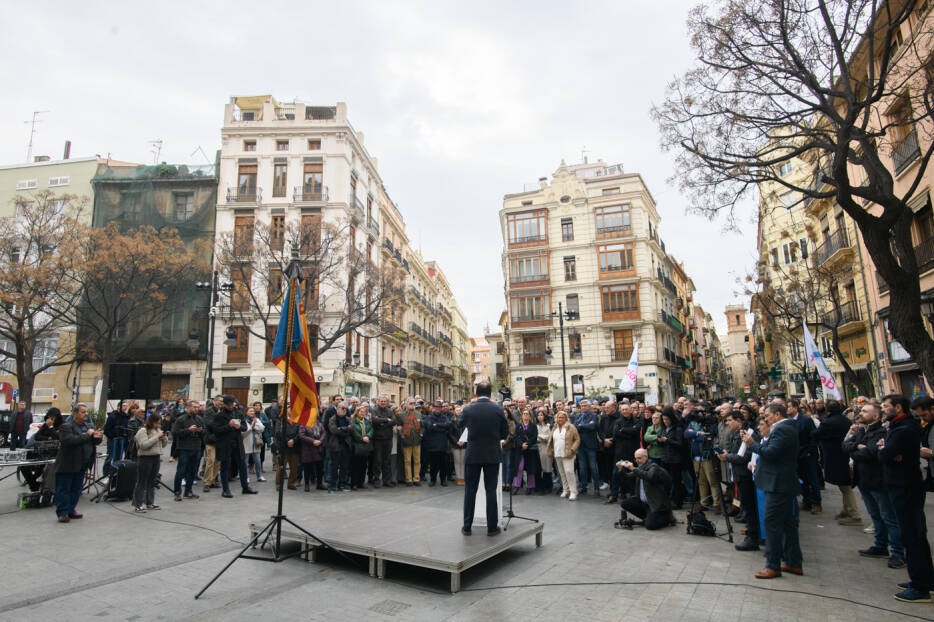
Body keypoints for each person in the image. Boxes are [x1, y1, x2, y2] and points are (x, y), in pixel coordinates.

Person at [878, 394, 934, 603]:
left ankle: (920, 587)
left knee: (912, 535)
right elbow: (887, 454)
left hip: (905, 487)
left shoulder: (904, 429)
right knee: (916, 534)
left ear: (898, 407)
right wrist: (886, 451)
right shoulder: (901, 427)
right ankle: (926, 580)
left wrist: (884, 450)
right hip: (904, 485)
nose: (883, 410)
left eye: (886, 406)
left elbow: (884, 455)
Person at [742, 402, 803, 579]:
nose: (765, 418)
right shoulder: (784, 428)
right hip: (778, 482)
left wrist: (751, 444)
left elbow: (771, 452)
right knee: (787, 524)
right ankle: (793, 561)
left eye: (767, 415)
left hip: (778, 484)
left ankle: (773, 564)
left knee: (772, 523)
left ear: (777, 415)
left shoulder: (783, 429)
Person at [842, 402, 904, 569]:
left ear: (875, 416)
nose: (860, 413)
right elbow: (845, 446)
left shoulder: (881, 432)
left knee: (888, 516)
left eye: (864, 411)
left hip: (878, 480)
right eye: (861, 411)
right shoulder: (861, 430)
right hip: (863, 479)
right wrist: (857, 446)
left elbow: (871, 453)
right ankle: (880, 545)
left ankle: (898, 552)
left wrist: (857, 449)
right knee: (875, 515)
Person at [457, 381, 509, 536]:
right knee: (491, 490)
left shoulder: (468, 409)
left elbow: (460, 424)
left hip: (473, 454)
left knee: (470, 490)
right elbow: (504, 433)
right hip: (492, 454)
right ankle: (492, 528)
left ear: (476, 393)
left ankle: (467, 526)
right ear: (490, 393)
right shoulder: (498, 409)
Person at [814, 399, 862, 525]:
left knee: (845, 486)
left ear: (827, 410)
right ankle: (846, 509)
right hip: (844, 454)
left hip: (835, 455)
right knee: (843, 484)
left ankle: (854, 514)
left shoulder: (828, 422)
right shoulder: (845, 420)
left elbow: (816, 434)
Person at [54, 403, 102, 523]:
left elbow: (94, 441)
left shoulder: (88, 426)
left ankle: (71, 509)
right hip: (68, 463)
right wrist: (88, 435)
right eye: (83, 412)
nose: (86, 414)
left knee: (76, 489)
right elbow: (70, 441)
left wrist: (97, 437)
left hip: (82, 463)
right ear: (75, 414)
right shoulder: (67, 426)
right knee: (64, 488)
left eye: (86, 412)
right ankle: (62, 512)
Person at [718, 411, 760, 551]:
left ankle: (753, 536)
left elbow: (744, 457)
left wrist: (727, 457)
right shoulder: (735, 435)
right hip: (738, 475)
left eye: (730, 420)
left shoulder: (746, 434)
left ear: (738, 421)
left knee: (749, 506)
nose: (727, 423)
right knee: (746, 505)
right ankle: (752, 532)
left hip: (746, 476)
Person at [208, 395, 258, 498]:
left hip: (237, 443)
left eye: (232, 404)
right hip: (225, 443)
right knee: (225, 466)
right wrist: (228, 426)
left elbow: (244, 427)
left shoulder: (238, 413)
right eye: (229, 405)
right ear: (225, 405)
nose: (231, 406)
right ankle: (225, 490)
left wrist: (239, 426)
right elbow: (216, 431)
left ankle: (245, 487)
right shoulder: (219, 416)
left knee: (243, 465)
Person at [615, 448, 674, 530]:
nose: (637, 461)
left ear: (646, 457)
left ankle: (666, 518)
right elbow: (627, 478)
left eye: (639, 458)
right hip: (644, 503)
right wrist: (620, 469)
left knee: (650, 526)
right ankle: (649, 518)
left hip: (656, 504)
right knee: (625, 503)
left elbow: (649, 477)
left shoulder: (654, 467)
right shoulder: (640, 468)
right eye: (636, 458)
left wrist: (633, 468)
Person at [132, 412, 167, 512]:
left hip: (156, 457)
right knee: (141, 481)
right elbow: (143, 445)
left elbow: (163, 445)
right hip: (145, 458)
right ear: (151, 422)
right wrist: (156, 437)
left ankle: (150, 502)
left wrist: (164, 438)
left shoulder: (157, 430)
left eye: (159, 423)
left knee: (152, 481)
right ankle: (138, 504)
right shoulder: (143, 431)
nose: (158, 425)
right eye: (156, 423)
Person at [172, 400, 204, 501]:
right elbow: (175, 432)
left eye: (197, 407)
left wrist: (201, 431)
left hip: (196, 447)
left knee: (192, 470)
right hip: (184, 448)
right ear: (188, 407)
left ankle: (188, 491)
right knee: (181, 470)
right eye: (194, 407)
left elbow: (205, 432)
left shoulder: (199, 419)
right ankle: (177, 492)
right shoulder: (181, 419)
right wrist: (188, 430)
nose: (196, 409)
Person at [547, 410, 580, 500]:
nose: (560, 419)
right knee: (562, 473)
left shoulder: (571, 427)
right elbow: (551, 440)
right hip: (557, 453)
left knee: (569, 472)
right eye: (558, 417)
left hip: (568, 453)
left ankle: (573, 491)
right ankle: (566, 489)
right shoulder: (555, 427)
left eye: (562, 417)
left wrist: (573, 449)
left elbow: (577, 439)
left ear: (566, 418)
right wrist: (550, 451)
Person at [423, 400, 451, 487]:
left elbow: (448, 425)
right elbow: (429, 427)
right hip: (432, 445)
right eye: (436, 407)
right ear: (433, 408)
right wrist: (442, 428)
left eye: (439, 407)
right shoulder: (429, 417)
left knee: (443, 464)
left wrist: (437, 425)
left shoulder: (444, 417)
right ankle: (433, 480)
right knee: (433, 464)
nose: (437, 409)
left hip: (442, 444)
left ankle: (443, 480)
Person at [512, 409, 540, 494]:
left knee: (530, 469)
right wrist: (521, 445)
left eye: (527, 414)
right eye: (524, 414)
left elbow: (534, 437)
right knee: (519, 468)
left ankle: (530, 486)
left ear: (530, 416)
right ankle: (516, 486)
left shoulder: (533, 426)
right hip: (520, 450)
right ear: (522, 416)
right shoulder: (518, 426)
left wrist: (527, 444)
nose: (525, 415)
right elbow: (516, 437)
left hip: (530, 450)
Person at [327, 402, 352, 492]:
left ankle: (342, 484)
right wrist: (345, 429)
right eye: (342, 408)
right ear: (337, 408)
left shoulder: (348, 419)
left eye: (345, 408)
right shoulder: (332, 419)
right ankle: (332, 486)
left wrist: (341, 428)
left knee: (344, 466)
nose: (344, 410)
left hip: (345, 446)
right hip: (335, 446)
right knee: (334, 466)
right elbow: (334, 430)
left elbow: (351, 429)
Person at [298, 417, 327, 491]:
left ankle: (319, 484)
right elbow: (302, 436)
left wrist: (320, 440)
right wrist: (313, 441)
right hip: (308, 449)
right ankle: (307, 485)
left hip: (318, 449)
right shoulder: (303, 424)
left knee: (320, 468)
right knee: (307, 468)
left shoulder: (318, 423)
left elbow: (323, 432)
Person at [350, 405, 373, 490]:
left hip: (366, 446)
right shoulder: (353, 421)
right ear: (357, 412)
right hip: (356, 446)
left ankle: (361, 482)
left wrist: (368, 436)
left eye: (364, 412)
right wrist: (362, 438)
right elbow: (354, 432)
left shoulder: (367, 421)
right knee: (355, 465)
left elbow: (371, 430)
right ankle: (354, 483)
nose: (363, 413)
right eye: (361, 412)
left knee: (364, 465)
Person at [241, 407, 266, 484]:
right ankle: (246, 477)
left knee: (258, 461)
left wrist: (254, 426)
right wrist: (252, 426)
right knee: (245, 461)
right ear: (246, 412)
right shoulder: (243, 421)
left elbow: (262, 428)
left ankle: (259, 476)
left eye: (253, 411)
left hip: (256, 443)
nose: (252, 412)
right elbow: (243, 432)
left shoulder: (257, 419)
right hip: (246, 443)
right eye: (250, 411)